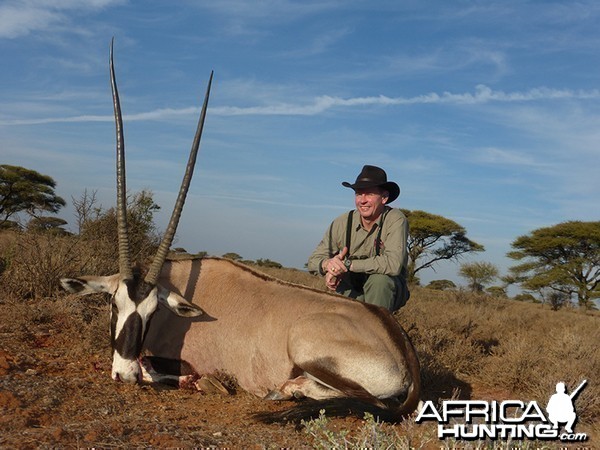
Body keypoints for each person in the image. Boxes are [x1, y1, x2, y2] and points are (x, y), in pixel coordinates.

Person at [307, 165, 409, 311]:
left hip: (386, 290)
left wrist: (346, 265)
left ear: (384, 198)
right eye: (358, 194)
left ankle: (376, 330)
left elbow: (393, 264)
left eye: (369, 194)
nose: (362, 200)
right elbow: (313, 260)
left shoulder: (395, 219)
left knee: (380, 281)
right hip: (352, 288)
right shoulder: (342, 222)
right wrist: (330, 265)